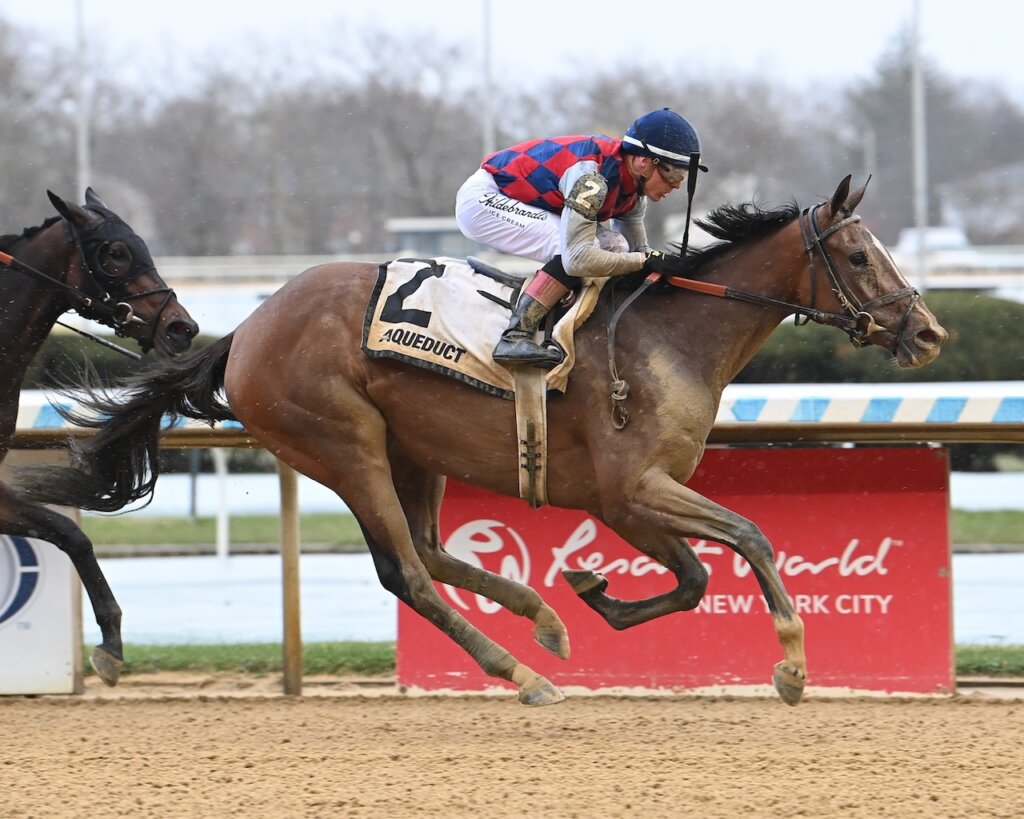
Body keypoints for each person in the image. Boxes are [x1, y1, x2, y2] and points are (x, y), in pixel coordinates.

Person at [455, 107, 707, 368]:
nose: (677, 185)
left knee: (615, 246)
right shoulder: (592, 180)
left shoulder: (633, 192)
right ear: (643, 161)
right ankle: (515, 336)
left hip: (522, 201)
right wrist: (645, 260)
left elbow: (635, 252)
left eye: (683, 176)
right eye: (674, 174)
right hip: (484, 201)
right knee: (575, 250)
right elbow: (578, 259)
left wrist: (664, 269)